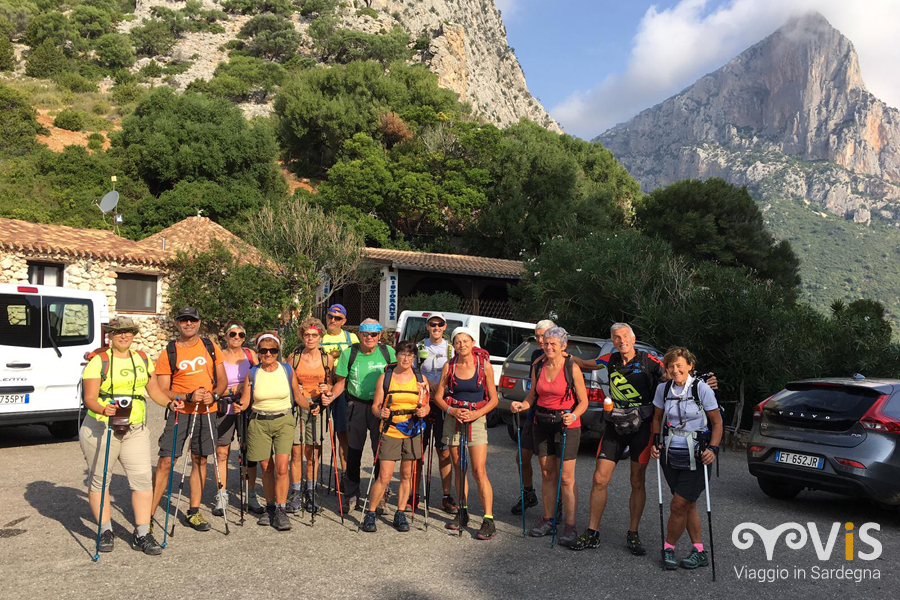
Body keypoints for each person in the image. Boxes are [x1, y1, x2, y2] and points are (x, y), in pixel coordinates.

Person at [568, 323, 716, 554]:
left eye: (625, 336)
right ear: (613, 340)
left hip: (642, 428)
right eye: (616, 337)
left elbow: (673, 373)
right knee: (599, 479)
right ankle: (592, 532)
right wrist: (564, 355)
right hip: (615, 425)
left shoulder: (649, 360)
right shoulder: (609, 359)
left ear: (633, 338)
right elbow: (587, 364)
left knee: (637, 481)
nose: (621, 340)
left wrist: (702, 381)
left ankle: (633, 533)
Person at [80, 317, 171, 555]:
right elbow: (89, 398)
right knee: (100, 480)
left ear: (133, 334)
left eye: (128, 332)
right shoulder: (99, 361)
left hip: (135, 429)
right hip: (101, 428)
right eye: (118, 332)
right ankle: (105, 530)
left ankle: (142, 532)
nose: (124, 336)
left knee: (142, 480)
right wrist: (103, 409)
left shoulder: (141, 359)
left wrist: (172, 404)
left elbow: (154, 392)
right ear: (110, 335)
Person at [150, 307, 227, 532]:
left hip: (207, 410)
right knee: (166, 461)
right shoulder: (170, 352)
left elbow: (222, 380)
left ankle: (194, 512)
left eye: (192, 320)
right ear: (177, 324)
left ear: (199, 322)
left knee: (200, 459)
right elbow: (163, 388)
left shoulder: (211, 347)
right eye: (183, 320)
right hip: (181, 411)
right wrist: (187, 396)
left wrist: (214, 395)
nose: (188, 324)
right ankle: (149, 515)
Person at [511, 327, 588, 546]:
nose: (548, 347)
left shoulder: (572, 367)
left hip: (566, 425)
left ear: (564, 346)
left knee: (566, 477)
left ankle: (570, 526)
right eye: (546, 343)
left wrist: (573, 415)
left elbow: (583, 401)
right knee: (547, 473)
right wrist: (522, 405)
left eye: (553, 344)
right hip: (541, 422)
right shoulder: (539, 365)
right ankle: (548, 519)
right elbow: (532, 395)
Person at [236, 331, 318, 531]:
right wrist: (238, 406)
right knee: (266, 468)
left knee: (282, 467)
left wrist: (311, 406)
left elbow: (298, 397)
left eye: (273, 350)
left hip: (283, 421)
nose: (268, 354)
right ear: (258, 352)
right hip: (259, 422)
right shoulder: (253, 372)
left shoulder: (287, 370)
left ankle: (281, 509)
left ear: (278, 351)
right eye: (264, 350)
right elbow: (246, 400)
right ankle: (270, 507)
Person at [650, 347, 723, 570]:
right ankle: (699, 551)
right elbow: (657, 419)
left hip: (697, 454)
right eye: (671, 366)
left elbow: (717, 422)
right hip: (671, 454)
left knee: (679, 503)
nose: (675, 369)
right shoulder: (663, 389)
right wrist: (655, 443)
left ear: (690, 365)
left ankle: (669, 548)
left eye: (679, 365)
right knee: (688, 505)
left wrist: (713, 448)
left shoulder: (701, 389)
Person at [433, 327, 499, 540]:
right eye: (458, 341)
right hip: (453, 420)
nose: (462, 345)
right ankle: (462, 512)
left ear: (473, 342)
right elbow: (439, 397)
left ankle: (488, 519)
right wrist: (451, 410)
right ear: (454, 345)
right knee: (459, 468)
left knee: (479, 471)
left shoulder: (484, 366)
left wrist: (476, 414)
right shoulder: (449, 366)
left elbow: (494, 399)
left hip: (476, 420)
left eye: (465, 341)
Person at [360, 340, 430, 532]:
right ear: (396, 356)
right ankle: (371, 513)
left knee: (407, 475)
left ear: (414, 358)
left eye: (410, 355)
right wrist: (380, 412)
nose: (406, 358)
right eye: (402, 354)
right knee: (384, 476)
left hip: (412, 430)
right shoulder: (386, 377)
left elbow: (426, 405)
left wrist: (424, 411)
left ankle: (400, 513)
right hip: (391, 430)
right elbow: (376, 406)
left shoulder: (420, 379)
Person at [328, 318, 396, 511]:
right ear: (359, 334)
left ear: (379, 335)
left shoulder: (388, 352)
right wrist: (329, 398)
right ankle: (351, 495)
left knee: (380, 453)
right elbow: (340, 382)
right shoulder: (350, 353)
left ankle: (381, 495)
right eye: (365, 333)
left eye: (373, 334)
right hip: (356, 406)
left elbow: (397, 376)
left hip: (381, 408)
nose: (369, 337)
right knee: (354, 453)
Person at [287, 317, 334, 514]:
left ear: (320, 336)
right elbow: (286, 380)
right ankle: (296, 491)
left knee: (313, 453)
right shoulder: (294, 357)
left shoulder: (327, 358)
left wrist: (327, 388)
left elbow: (332, 383)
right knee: (296, 453)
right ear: (302, 335)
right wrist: (293, 387)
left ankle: (311, 491)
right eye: (307, 334)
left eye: (314, 335)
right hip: (297, 407)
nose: (311, 338)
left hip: (316, 409)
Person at [212, 321, 258, 517]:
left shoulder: (250, 355)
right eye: (232, 334)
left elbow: (259, 375)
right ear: (226, 336)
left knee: (249, 452)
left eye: (240, 335)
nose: (236, 338)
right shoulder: (219, 356)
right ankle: (221, 495)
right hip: (224, 408)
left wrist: (243, 388)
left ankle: (251, 494)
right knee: (222, 452)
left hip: (247, 408)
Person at [414, 312, 458, 515]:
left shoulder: (451, 348)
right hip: (422, 402)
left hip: (441, 403)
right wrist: (426, 382)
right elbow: (412, 370)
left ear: (445, 326)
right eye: (433, 324)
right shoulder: (419, 347)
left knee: (444, 452)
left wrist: (439, 386)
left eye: (440, 324)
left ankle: (446, 496)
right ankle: (413, 494)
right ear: (427, 326)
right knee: (417, 452)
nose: (436, 327)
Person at [511, 319, 555, 516]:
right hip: (534, 412)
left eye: (543, 336)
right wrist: (523, 404)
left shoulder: (562, 356)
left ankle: (557, 502)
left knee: (550, 465)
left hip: (555, 416)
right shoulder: (537, 355)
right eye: (537, 336)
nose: (540, 340)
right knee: (522, 457)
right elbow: (534, 388)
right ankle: (528, 494)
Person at [320, 304, 359, 475]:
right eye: (330, 316)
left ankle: (346, 473)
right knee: (317, 435)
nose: (333, 320)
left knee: (343, 433)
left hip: (343, 388)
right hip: (321, 387)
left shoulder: (351, 338)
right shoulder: (319, 337)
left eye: (337, 318)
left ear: (344, 320)